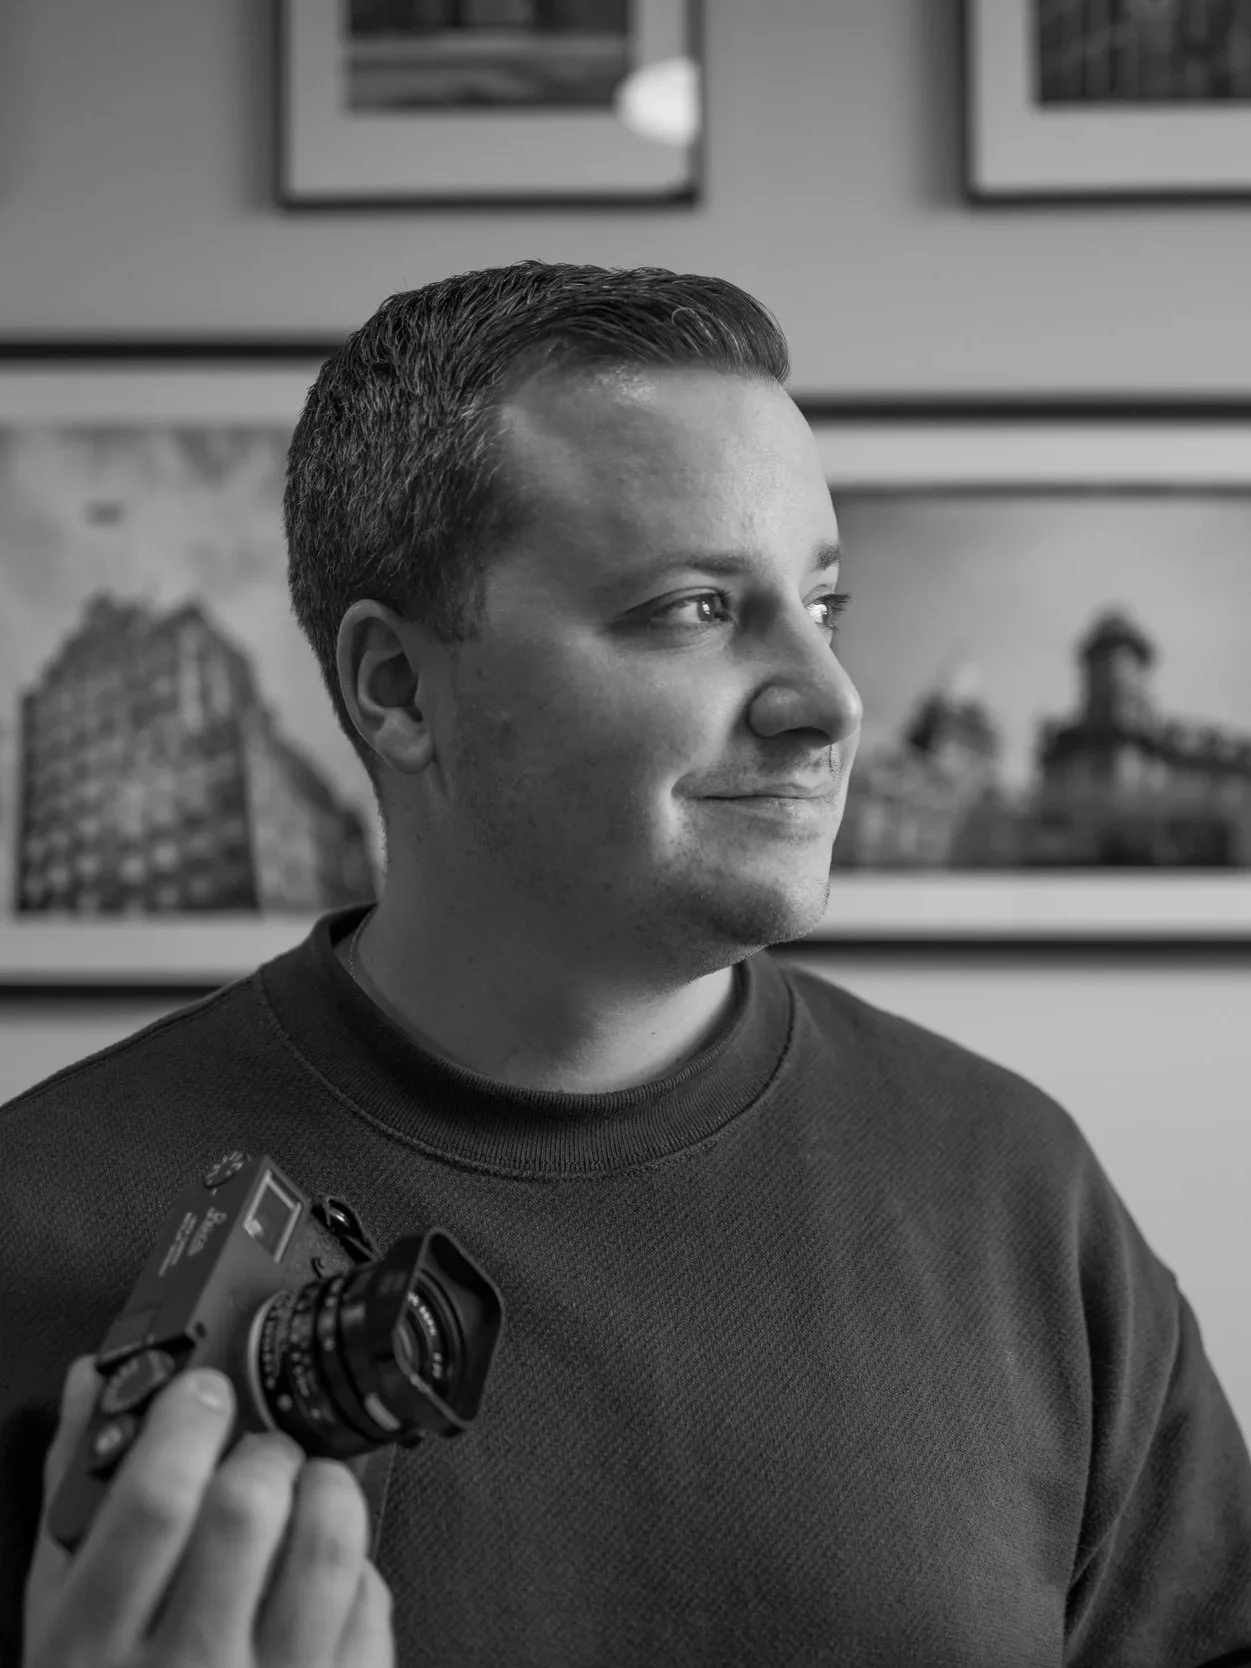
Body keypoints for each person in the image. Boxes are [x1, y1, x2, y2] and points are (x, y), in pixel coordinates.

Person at [1, 259, 1249, 1667]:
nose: (829, 702)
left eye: (821, 607)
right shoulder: (33, 1213)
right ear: (396, 688)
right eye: (694, 609)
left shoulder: (1015, 1189)